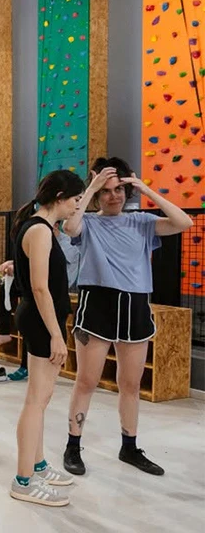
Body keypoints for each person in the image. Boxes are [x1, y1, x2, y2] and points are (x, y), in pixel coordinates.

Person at [62, 157, 192, 478]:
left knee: (130, 384)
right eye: (107, 191)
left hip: (135, 304)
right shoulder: (89, 223)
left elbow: (184, 222)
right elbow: (69, 227)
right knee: (87, 381)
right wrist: (92, 185)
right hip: (97, 303)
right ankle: (73, 446)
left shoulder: (142, 222)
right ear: (96, 194)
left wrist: (144, 187)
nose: (114, 196)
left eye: (120, 189)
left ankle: (129, 446)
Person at [8, 170, 86, 507]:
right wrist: (56, 335)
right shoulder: (39, 230)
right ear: (59, 196)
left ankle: (37, 464)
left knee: (42, 398)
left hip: (45, 319)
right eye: (75, 200)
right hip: (42, 322)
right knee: (36, 401)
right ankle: (23, 481)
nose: (76, 207)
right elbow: (40, 287)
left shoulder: (41, 227)